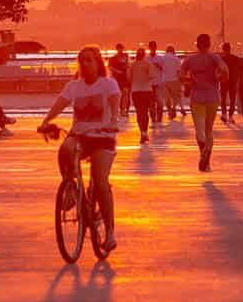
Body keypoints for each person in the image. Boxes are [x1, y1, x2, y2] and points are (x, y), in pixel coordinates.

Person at [38, 44, 119, 253]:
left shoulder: (108, 84)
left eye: (88, 59)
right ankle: (71, 189)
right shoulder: (74, 86)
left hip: (103, 137)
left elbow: (115, 104)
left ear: (98, 63)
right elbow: (59, 104)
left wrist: (113, 122)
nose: (84, 63)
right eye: (81, 59)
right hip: (80, 136)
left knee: (100, 181)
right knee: (65, 148)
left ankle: (109, 232)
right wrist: (47, 121)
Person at [182, 34, 229, 171]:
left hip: (197, 97)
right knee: (209, 130)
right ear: (208, 44)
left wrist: (188, 82)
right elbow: (225, 70)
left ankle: (203, 151)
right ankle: (207, 162)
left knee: (199, 130)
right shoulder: (214, 57)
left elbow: (180, 73)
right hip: (212, 97)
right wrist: (220, 78)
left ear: (197, 44)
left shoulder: (190, 59)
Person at [129, 46, 156, 142]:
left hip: (136, 91)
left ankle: (142, 132)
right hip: (147, 91)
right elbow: (152, 76)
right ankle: (144, 132)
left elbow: (129, 78)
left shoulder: (132, 65)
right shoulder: (148, 64)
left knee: (140, 112)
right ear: (144, 55)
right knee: (145, 112)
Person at [160, 45, 184, 119]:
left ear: (166, 51)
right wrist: (181, 80)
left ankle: (170, 111)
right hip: (174, 80)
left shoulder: (162, 58)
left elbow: (160, 68)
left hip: (164, 80)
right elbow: (179, 71)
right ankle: (174, 108)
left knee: (167, 98)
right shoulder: (176, 59)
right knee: (176, 96)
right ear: (173, 51)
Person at [219, 41, 240, 123]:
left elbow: (218, 70)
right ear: (230, 49)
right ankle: (231, 116)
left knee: (223, 99)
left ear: (223, 49)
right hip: (233, 81)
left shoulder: (221, 59)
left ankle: (224, 115)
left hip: (224, 81)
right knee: (232, 100)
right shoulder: (235, 58)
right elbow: (239, 70)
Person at [109, 43, 130, 117]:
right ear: (117, 49)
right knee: (119, 94)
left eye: (121, 48)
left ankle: (123, 110)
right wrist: (117, 71)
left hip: (124, 77)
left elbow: (128, 65)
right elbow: (110, 67)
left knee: (126, 93)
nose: (120, 50)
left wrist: (128, 74)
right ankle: (118, 110)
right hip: (117, 77)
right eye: (119, 48)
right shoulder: (113, 58)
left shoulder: (126, 56)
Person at [147, 41, 165, 126]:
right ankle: (153, 119)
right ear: (149, 48)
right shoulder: (146, 58)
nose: (153, 48)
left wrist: (158, 65)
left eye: (154, 47)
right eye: (151, 47)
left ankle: (159, 119)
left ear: (156, 48)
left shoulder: (160, 58)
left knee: (160, 102)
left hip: (159, 82)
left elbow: (164, 69)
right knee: (151, 103)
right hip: (150, 84)